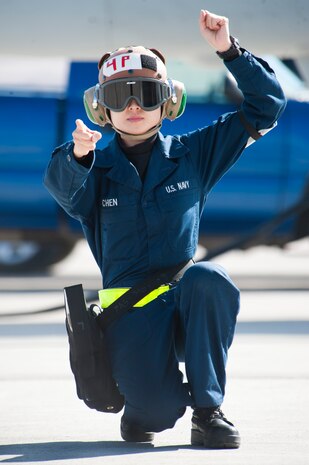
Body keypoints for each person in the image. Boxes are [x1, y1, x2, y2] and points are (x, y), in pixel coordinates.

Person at [44, 9, 286, 449]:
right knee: (153, 417)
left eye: (146, 93)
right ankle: (145, 401)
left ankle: (209, 411)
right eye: (119, 96)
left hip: (185, 303)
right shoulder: (91, 167)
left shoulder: (194, 154)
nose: (133, 106)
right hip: (131, 315)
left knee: (210, 279)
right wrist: (77, 156)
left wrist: (228, 51)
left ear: (169, 101)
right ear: (100, 108)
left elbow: (267, 106)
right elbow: (63, 189)